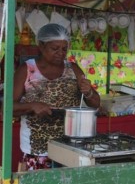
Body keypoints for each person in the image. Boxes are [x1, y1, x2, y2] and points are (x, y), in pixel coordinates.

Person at [13, 23, 100, 171]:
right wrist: (32, 106)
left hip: (70, 147)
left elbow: (96, 105)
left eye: (64, 49)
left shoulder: (73, 69)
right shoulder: (26, 70)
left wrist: (89, 92)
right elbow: (8, 107)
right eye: (55, 48)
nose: (60, 53)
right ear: (41, 46)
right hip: (37, 147)